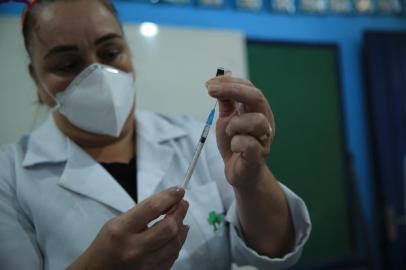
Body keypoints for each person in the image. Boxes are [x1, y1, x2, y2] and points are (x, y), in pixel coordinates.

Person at [0, 0, 311, 269]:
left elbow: (275, 247)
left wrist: (252, 179)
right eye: (68, 64)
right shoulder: (9, 177)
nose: (96, 74)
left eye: (110, 53)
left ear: (129, 55)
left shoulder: (192, 137)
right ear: (36, 81)